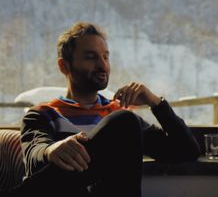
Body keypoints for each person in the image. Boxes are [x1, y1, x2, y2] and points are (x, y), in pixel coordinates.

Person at [3, 22, 200, 196]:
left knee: (124, 121)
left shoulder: (119, 119)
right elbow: (33, 158)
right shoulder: (43, 114)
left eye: (105, 57)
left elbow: (186, 150)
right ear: (64, 66)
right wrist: (50, 150)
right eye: (91, 57)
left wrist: (156, 103)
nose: (102, 65)